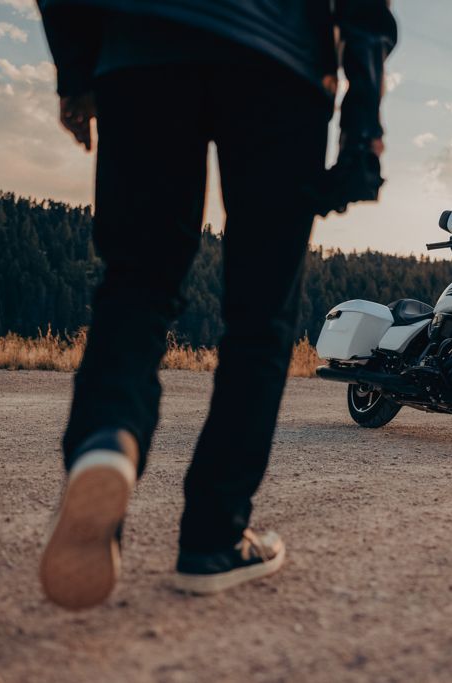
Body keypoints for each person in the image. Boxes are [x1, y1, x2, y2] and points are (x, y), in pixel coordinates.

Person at [36, 0, 397, 610]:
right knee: (260, 316)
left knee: (138, 283)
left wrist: (76, 70)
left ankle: (107, 438)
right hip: (278, 64)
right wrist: (363, 123)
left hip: (143, 47)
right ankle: (213, 537)